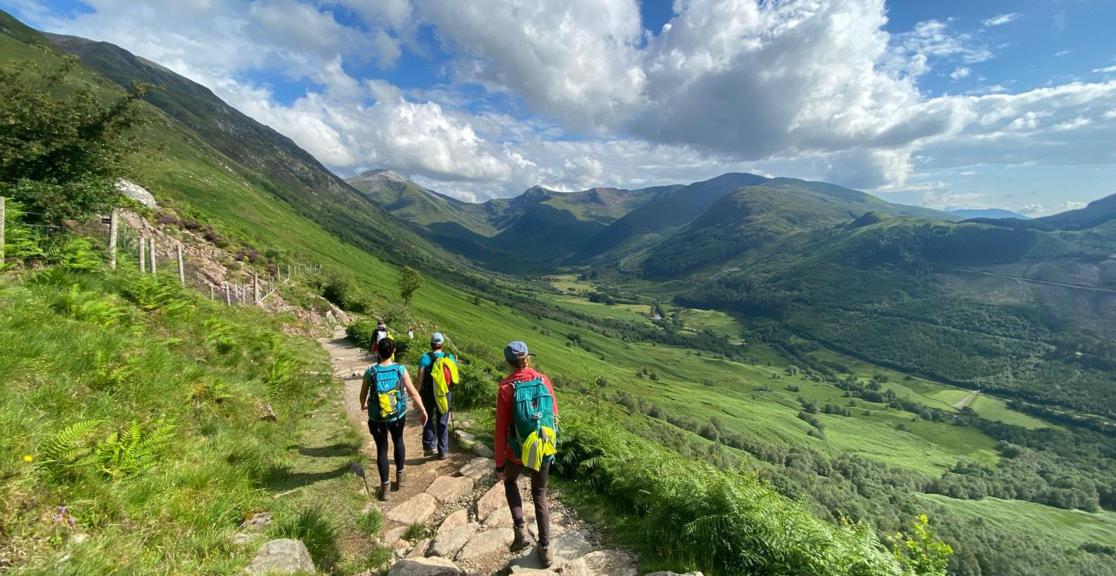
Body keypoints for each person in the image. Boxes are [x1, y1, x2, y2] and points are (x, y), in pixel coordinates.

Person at [494, 340, 559, 567]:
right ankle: (545, 548)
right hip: (542, 447)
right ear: (527, 358)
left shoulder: (505, 388)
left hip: (516, 451)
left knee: (510, 482)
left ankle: (520, 531)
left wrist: (499, 462)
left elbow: (501, 429)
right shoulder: (544, 380)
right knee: (539, 493)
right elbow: (554, 414)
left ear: (509, 363)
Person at [359, 337, 428, 501]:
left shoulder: (371, 372)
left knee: (381, 449)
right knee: (398, 441)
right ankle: (401, 477)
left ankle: (385, 488)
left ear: (377, 350)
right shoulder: (400, 370)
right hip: (397, 415)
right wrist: (422, 409)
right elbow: (412, 392)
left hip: (377, 417)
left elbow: (362, 395)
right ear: (394, 351)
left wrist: (363, 405)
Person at [418, 332, 456, 459]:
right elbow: (454, 377)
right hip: (444, 393)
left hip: (428, 393)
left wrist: (417, 394)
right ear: (442, 344)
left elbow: (420, 378)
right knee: (443, 420)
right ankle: (443, 451)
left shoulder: (425, 358)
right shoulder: (449, 357)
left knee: (427, 417)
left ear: (431, 344)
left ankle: (429, 446)